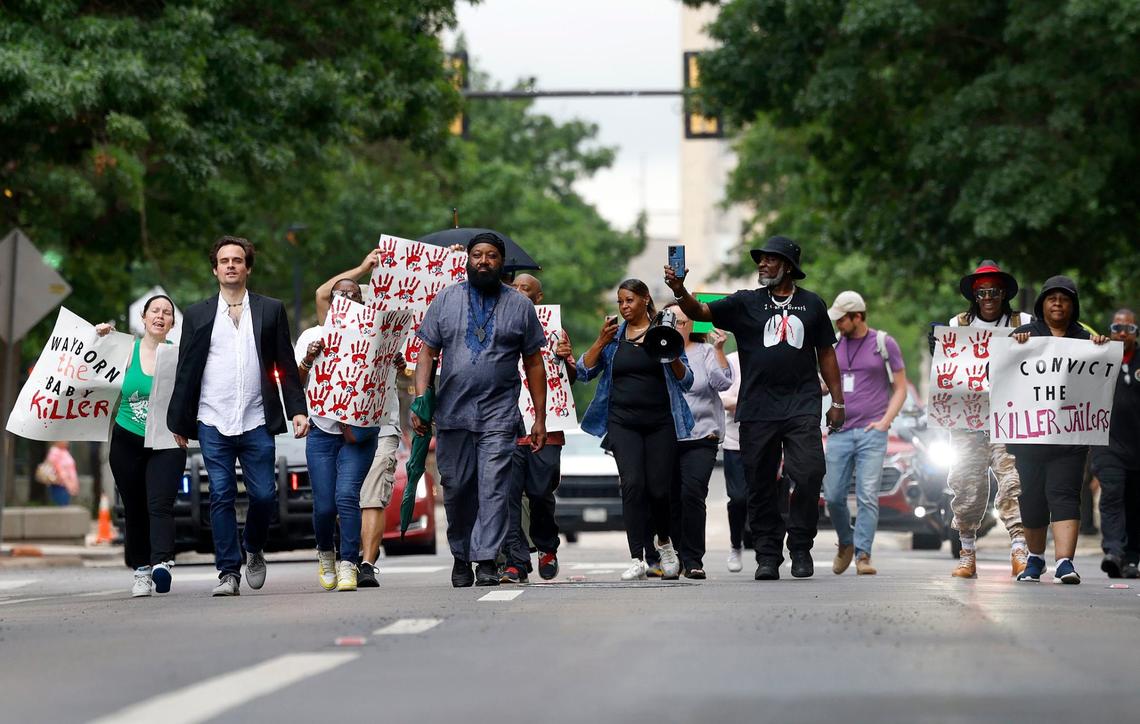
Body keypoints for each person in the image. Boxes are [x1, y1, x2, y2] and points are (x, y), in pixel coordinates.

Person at [666, 236, 844, 581]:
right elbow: (700, 312)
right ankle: (767, 554)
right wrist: (679, 289)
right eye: (760, 260)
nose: (762, 265)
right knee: (759, 484)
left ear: (788, 266)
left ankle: (801, 546)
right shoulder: (745, 302)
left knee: (808, 474)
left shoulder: (812, 305)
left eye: (770, 260)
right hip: (758, 408)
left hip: (801, 405)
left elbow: (826, 354)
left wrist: (837, 401)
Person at [167, 236, 308, 597]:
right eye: (224, 261)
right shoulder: (198, 314)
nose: (231, 265)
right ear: (215, 269)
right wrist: (180, 422)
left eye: (238, 260)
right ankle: (228, 571)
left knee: (263, 496)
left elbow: (285, 365)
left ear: (247, 268)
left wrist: (297, 410)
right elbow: (186, 371)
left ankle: (254, 548)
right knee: (221, 494)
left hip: (256, 418)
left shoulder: (270, 310)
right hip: (212, 418)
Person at [414, 232, 548, 587]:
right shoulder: (445, 299)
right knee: (457, 487)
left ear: (501, 262)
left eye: (491, 256)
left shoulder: (520, 306)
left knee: (494, 489)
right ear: (468, 260)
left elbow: (534, 363)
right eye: (477, 255)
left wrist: (539, 416)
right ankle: (461, 555)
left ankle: (486, 559)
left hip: (499, 415)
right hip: (452, 414)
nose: (483, 261)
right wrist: (420, 398)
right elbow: (426, 352)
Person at [577, 279, 694, 581]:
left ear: (644, 300)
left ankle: (665, 543)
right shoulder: (614, 339)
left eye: (629, 300)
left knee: (658, 489)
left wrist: (668, 349)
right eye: (620, 302)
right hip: (622, 422)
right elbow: (583, 372)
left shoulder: (662, 332)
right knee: (632, 485)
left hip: (659, 423)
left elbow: (687, 380)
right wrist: (601, 341)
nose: (624, 307)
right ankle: (636, 557)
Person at [295, 272, 402, 592]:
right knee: (325, 504)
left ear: (361, 302)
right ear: (331, 301)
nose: (346, 299)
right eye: (340, 295)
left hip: (361, 433)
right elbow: (296, 382)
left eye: (353, 295)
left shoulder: (376, 336)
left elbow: (397, 375)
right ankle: (326, 554)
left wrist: (393, 361)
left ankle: (348, 563)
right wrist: (309, 358)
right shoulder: (313, 335)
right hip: (323, 433)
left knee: (347, 497)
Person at [1010, 276, 1110, 583]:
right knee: (1032, 498)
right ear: (1042, 304)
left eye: (1064, 299)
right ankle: (1035, 560)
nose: (1057, 303)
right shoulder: (1024, 335)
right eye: (1051, 298)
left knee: (1065, 494)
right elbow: (997, 374)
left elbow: (1102, 379)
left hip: (1069, 438)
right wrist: (1013, 349)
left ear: (1073, 305)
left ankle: (1065, 562)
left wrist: (1101, 350)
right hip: (1030, 437)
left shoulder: (1085, 339)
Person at [938, 261, 1032, 578]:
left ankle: (1020, 550)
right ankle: (967, 553)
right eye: (982, 292)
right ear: (975, 296)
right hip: (968, 419)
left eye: (993, 291)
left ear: (1003, 293)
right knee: (966, 487)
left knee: (1013, 484)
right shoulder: (958, 324)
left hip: (1011, 417)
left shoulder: (1025, 323)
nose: (988, 297)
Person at [96, 296, 187, 597]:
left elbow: (194, 394)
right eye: (155, 311)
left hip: (167, 440)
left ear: (172, 323)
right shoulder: (125, 352)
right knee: (134, 508)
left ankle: (161, 562)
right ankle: (141, 571)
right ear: (144, 318)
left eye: (167, 313)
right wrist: (99, 339)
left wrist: (187, 427)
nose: (161, 316)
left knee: (159, 504)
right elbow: (87, 368)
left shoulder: (179, 355)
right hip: (127, 441)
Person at [823, 291, 907, 576]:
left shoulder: (883, 343)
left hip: (872, 430)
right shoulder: (834, 344)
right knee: (833, 495)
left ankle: (863, 554)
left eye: (842, 319)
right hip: (839, 431)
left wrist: (885, 421)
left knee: (867, 495)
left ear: (857, 316)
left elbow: (901, 388)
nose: (837, 325)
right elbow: (825, 384)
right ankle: (846, 542)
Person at [499, 273, 574, 584]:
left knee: (541, 492)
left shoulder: (555, 331)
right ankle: (516, 562)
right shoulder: (499, 325)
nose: (518, 292)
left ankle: (546, 546)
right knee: (508, 495)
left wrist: (566, 359)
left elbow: (574, 376)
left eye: (525, 289)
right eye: (514, 287)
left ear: (538, 298)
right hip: (507, 425)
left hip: (549, 427)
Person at [665, 304, 732, 579]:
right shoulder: (658, 354)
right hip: (666, 436)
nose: (678, 326)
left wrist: (718, 349)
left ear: (694, 325)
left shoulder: (704, 352)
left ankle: (693, 559)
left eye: (683, 321)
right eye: (672, 321)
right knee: (667, 498)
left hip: (702, 435)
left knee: (692, 493)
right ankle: (672, 556)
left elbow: (723, 383)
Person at [1091, 309, 1140, 579]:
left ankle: (1132, 557)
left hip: (1137, 446)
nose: (1123, 333)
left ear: (1136, 333)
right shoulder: (1098, 358)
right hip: (1108, 445)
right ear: (1110, 330)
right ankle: (1113, 552)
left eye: (1129, 329)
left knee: (1134, 503)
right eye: (1117, 327)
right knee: (1111, 497)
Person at [719, 350, 751, 571]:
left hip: (766, 440)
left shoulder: (768, 355)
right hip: (735, 442)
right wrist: (751, 404)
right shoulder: (731, 360)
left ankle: (768, 549)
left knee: (763, 497)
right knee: (738, 498)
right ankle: (735, 545)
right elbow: (721, 397)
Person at [43, 441, 79, 506]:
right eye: (64, 440)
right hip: (60, 483)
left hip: (67, 483)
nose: (67, 442)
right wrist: (58, 476)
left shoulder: (65, 451)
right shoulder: (55, 451)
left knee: (65, 503)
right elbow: (51, 466)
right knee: (62, 504)